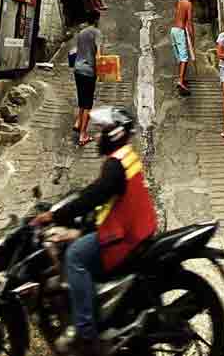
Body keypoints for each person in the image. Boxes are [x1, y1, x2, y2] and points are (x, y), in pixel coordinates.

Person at [31, 107, 157, 356]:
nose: (97, 137)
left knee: (75, 256)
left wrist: (56, 215)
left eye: (102, 132)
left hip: (124, 235)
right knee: (76, 238)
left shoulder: (115, 164)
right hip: (136, 226)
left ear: (115, 133)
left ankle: (86, 334)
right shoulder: (126, 156)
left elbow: (95, 195)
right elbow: (101, 194)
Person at [72, 11, 101, 146]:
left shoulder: (81, 33)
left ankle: (78, 122)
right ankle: (83, 135)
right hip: (89, 70)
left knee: (82, 98)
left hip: (77, 69)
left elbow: (75, 51)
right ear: (96, 20)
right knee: (88, 104)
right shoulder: (96, 33)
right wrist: (101, 71)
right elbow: (98, 56)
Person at [171, 0, 196, 94]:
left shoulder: (180, 2)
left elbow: (178, 16)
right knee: (185, 58)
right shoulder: (188, 4)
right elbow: (189, 21)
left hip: (173, 30)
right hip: (180, 31)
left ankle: (180, 78)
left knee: (180, 57)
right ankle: (180, 81)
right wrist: (192, 35)